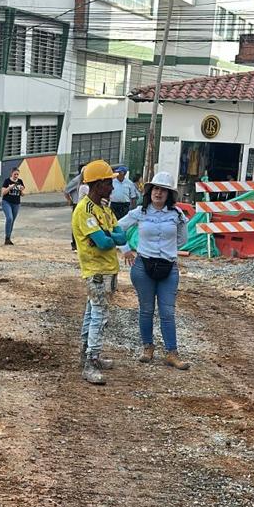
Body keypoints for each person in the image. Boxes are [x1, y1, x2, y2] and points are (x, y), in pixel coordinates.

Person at [118, 171, 191, 370]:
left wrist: (167, 248)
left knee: (168, 311)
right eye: (156, 189)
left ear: (169, 194)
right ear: (150, 191)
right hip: (143, 265)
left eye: (163, 190)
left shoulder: (177, 215)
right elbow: (117, 228)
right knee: (146, 309)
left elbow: (183, 239)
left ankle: (171, 353)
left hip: (168, 266)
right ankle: (147, 348)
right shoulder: (140, 212)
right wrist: (125, 250)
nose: (158, 193)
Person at [72, 160, 127, 385]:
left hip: (107, 270)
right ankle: (90, 361)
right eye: (108, 183)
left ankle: (86, 353)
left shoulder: (104, 208)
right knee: (99, 316)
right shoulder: (84, 211)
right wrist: (108, 236)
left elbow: (122, 237)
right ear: (97, 184)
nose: (112, 187)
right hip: (96, 271)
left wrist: (108, 236)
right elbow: (104, 243)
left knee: (92, 313)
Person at [0, 168, 25, 245]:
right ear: (11, 174)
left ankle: (8, 239)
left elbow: (22, 193)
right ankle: (7, 238)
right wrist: (10, 187)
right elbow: (3, 193)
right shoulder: (7, 181)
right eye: (15, 174)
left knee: (12, 221)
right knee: (9, 218)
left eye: (17, 174)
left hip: (16, 203)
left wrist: (21, 191)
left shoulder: (20, 181)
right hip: (7, 202)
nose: (16, 176)